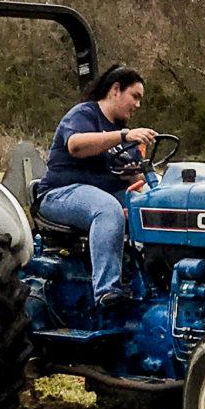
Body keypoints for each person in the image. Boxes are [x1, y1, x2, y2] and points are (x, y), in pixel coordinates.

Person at [34, 65, 157, 310]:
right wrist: (124, 135)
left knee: (152, 210)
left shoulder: (127, 137)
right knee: (108, 209)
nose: (138, 105)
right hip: (60, 194)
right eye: (135, 96)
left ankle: (153, 285)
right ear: (115, 90)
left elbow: (134, 177)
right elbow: (76, 145)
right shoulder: (84, 114)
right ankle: (107, 291)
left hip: (105, 194)